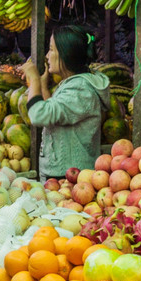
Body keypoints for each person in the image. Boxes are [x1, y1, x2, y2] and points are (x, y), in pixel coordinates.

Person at [22, 25, 111, 181]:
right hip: (61, 174)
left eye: (51, 50)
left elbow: (38, 115)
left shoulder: (80, 90)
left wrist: (34, 79)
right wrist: (42, 85)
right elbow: (57, 114)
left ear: (65, 55)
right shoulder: (72, 85)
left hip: (69, 179)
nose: (47, 56)